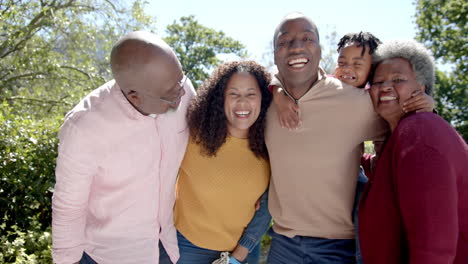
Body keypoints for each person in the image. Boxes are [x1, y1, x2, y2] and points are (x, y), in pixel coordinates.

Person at [52, 31, 196, 264]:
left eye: (181, 81)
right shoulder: (84, 127)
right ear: (134, 96)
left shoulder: (181, 89)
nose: (182, 94)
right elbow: (69, 206)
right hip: (108, 254)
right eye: (170, 96)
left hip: (168, 246)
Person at [265, 12, 388, 264]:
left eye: (307, 39)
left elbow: (400, 129)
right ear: (275, 53)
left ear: (320, 50)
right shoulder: (262, 101)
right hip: (282, 242)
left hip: (337, 246)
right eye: (285, 41)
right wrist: (275, 89)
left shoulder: (354, 101)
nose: (296, 46)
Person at [359, 39, 468, 264]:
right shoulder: (401, 136)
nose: (386, 87)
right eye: (378, 82)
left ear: (422, 89)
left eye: (398, 80)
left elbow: (434, 248)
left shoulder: (420, 131)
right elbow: (388, 176)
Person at [162, 61, 272, 264]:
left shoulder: (271, 147)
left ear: (263, 99)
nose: (242, 102)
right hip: (184, 248)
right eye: (233, 94)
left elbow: (269, 206)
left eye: (251, 94)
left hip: (242, 253)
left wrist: (238, 256)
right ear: (220, 98)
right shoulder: (192, 137)